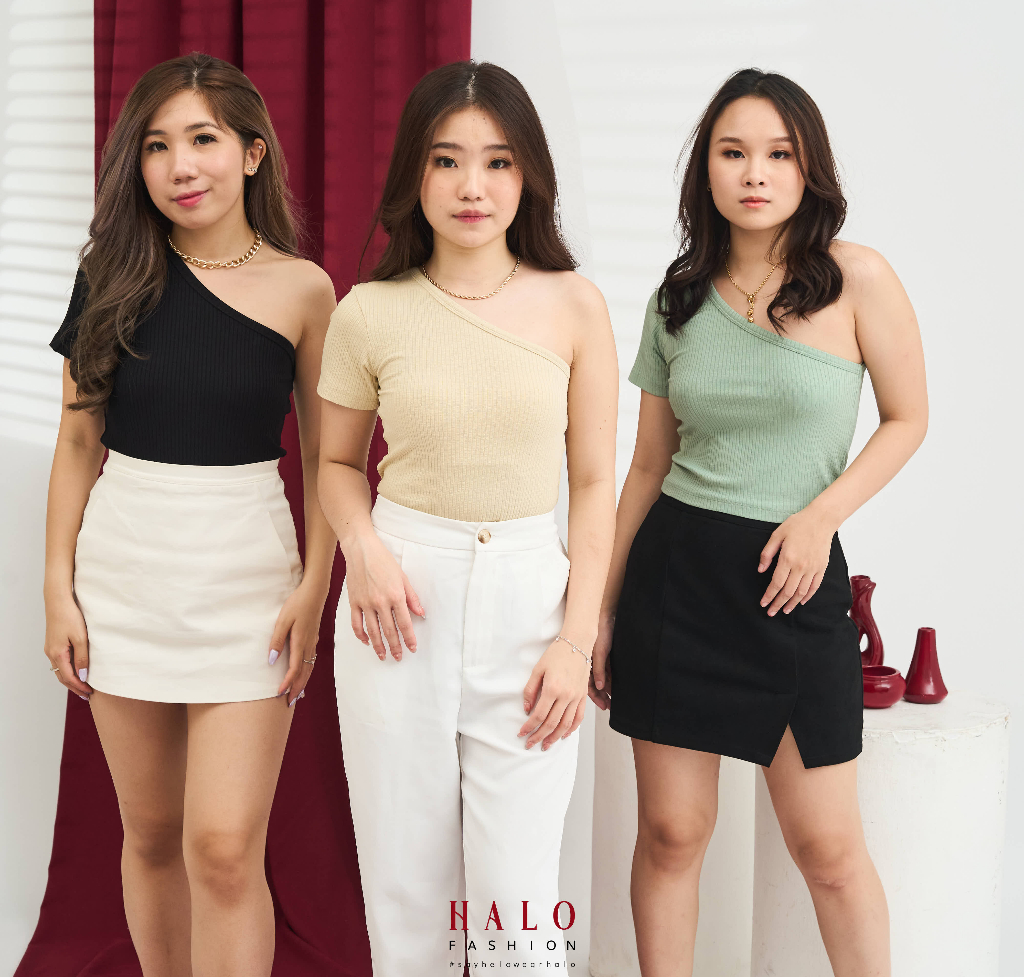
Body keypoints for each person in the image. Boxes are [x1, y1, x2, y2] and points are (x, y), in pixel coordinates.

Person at [592, 68, 927, 977]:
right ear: (704, 168)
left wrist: (822, 517)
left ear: (809, 167)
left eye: (779, 154)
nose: (755, 173)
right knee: (672, 833)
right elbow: (648, 466)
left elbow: (909, 419)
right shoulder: (677, 298)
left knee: (828, 849)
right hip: (677, 580)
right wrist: (603, 611)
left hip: (793, 580)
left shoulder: (857, 279)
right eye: (733, 152)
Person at [316, 60, 617, 975]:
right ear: (415, 172)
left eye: (497, 161)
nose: (472, 186)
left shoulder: (574, 304)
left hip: (531, 602)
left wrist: (575, 641)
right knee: (405, 890)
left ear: (528, 176)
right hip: (398, 601)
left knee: (516, 907)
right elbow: (335, 464)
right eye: (446, 160)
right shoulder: (369, 312)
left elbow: (593, 483)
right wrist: (363, 549)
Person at [43, 53, 336, 977]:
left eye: (203, 139)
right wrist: (57, 590)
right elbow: (77, 440)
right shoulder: (108, 275)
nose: (180, 166)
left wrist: (314, 588)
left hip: (249, 579)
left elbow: (328, 459)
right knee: (150, 832)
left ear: (252, 152)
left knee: (223, 847)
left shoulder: (304, 289)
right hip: (124, 573)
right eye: (157, 146)